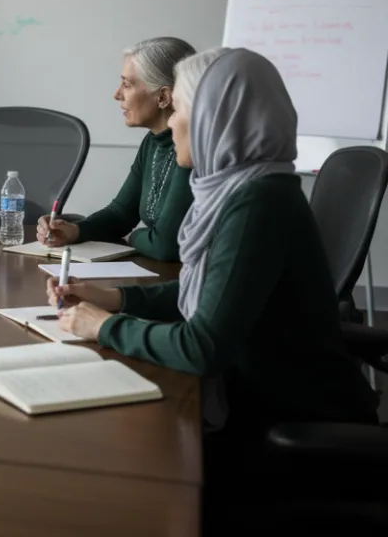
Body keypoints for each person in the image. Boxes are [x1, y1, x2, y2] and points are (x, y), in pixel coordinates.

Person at [48, 48, 378, 490]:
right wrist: (114, 298)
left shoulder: (257, 203)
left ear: (213, 120)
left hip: (283, 420)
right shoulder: (244, 187)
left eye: (181, 109)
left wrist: (104, 327)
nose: (175, 123)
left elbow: (201, 347)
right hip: (258, 392)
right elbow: (202, 293)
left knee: (119, 469)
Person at [38, 37, 195, 261]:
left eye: (127, 84)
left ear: (163, 97)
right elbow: (121, 213)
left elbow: (165, 246)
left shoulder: (192, 149)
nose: (117, 94)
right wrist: (76, 231)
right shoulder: (152, 142)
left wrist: (133, 237)